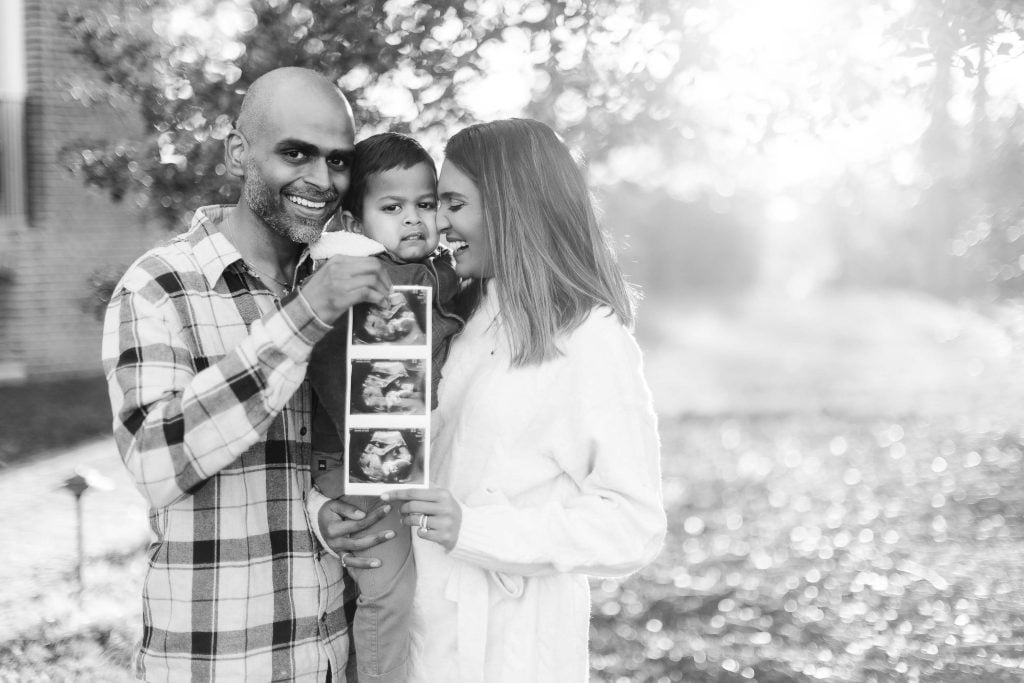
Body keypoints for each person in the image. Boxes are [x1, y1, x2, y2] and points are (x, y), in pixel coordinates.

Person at [101, 67, 396, 682]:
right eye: (296, 153)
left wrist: (329, 510)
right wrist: (304, 317)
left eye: (339, 162)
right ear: (239, 153)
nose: (322, 180)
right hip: (218, 663)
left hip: (331, 660)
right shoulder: (161, 286)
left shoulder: (355, 284)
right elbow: (155, 463)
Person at [381, 118, 668, 682]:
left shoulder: (590, 338)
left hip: (513, 652)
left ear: (511, 209)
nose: (438, 222)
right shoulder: (458, 316)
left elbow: (634, 524)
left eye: (455, 204)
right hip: (423, 638)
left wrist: (478, 531)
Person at [303, 132, 470, 682]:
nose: (414, 220)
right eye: (392, 207)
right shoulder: (355, 274)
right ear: (354, 223)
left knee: (405, 592)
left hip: (399, 460)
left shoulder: (436, 271)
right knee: (389, 595)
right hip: (361, 467)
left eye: (426, 204)